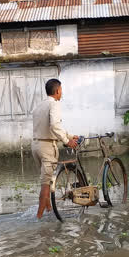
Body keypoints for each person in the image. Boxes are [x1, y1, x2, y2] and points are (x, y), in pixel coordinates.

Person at [32, 79, 78, 219]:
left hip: (36, 145)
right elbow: (54, 126)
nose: (61, 93)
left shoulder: (40, 105)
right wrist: (66, 141)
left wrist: (69, 136)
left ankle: (48, 210)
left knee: (45, 179)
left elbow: (52, 126)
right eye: (61, 90)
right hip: (47, 147)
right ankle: (38, 220)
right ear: (57, 91)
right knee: (46, 184)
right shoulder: (55, 104)